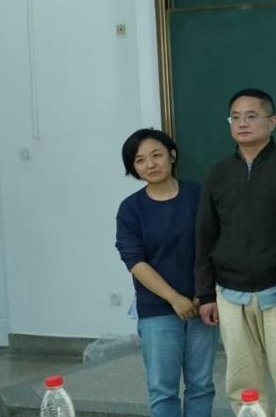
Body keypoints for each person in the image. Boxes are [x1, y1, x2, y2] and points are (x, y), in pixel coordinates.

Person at [194, 88, 276, 417]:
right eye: (235, 117)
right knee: (243, 384)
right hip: (229, 292)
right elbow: (205, 237)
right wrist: (206, 294)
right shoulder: (216, 173)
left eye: (251, 116)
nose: (242, 123)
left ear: (272, 122)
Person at [115, 129, 216, 417]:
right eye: (140, 160)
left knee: (201, 385)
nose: (150, 164)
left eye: (156, 155)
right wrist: (174, 298)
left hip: (202, 304)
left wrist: (204, 293)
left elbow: (215, 245)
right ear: (133, 168)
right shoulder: (131, 209)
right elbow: (135, 261)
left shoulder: (199, 195)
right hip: (157, 310)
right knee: (163, 389)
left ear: (172, 155)